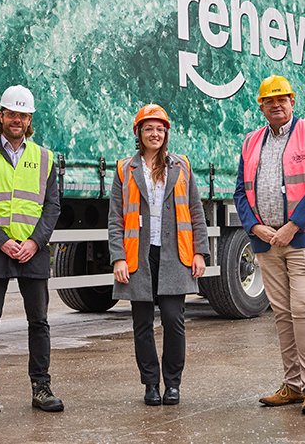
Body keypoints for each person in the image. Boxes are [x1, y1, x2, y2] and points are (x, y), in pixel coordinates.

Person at [233, 75, 305, 415]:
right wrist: (254, 227)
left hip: (303, 238)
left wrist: (292, 226)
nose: (276, 104)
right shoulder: (250, 141)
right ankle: (293, 385)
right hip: (266, 240)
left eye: (282, 98)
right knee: (282, 314)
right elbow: (240, 191)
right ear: (260, 107)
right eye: (269, 100)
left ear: (293, 101)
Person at [0, 85, 63, 416]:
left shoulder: (45, 158)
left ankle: (41, 387)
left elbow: (52, 207)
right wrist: (2, 241)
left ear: (29, 118)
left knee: (39, 322)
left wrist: (35, 242)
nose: (17, 120)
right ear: (1, 115)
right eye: (12, 114)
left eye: (23, 115)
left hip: (33, 250)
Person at [108, 104, 209, 406]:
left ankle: (173, 384)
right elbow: (115, 217)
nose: (155, 133)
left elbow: (195, 211)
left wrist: (200, 252)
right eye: (148, 128)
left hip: (174, 255)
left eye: (160, 128)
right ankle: (150, 384)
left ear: (166, 133)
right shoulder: (125, 169)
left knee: (173, 320)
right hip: (138, 256)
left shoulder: (182, 166)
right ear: (138, 132)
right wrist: (118, 257)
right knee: (141, 324)